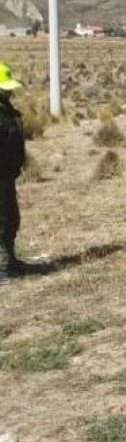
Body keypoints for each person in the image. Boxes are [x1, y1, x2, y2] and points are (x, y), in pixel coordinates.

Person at [0, 62, 29, 284]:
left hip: (7, 176)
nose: (9, 92)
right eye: (4, 88)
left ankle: (9, 259)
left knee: (11, 218)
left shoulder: (8, 111)